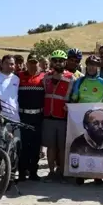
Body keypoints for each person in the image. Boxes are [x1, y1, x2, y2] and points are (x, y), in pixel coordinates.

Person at [70, 55, 103, 185]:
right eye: (90, 65)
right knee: (82, 145)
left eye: (95, 65)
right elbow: (74, 99)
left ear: (98, 67)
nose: (92, 67)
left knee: (98, 144)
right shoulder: (80, 82)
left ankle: (97, 175)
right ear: (86, 66)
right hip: (82, 119)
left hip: (97, 119)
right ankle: (81, 173)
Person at [42, 50, 75, 182]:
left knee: (62, 147)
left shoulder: (71, 77)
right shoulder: (46, 77)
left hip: (63, 117)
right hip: (48, 117)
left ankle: (61, 171)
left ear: (65, 62)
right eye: (55, 60)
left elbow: (74, 96)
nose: (58, 63)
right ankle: (51, 172)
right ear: (51, 62)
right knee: (51, 147)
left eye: (60, 60)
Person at [17, 53, 45, 182]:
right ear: (26, 64)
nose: (33, 65)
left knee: (35, 145)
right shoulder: (19, 77)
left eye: (35, 62)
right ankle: (22, 172)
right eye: (31, 62)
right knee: (23, 145)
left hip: (38, 116)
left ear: (38, 64)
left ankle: (33, 171)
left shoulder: (44, 78)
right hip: (23, 116)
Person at [0, 55, 20, 123]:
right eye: (6, 63)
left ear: (15, 65)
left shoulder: (17, 79)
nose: (9, 66)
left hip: (14, 117)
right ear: (2, 64)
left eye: (11, 64)